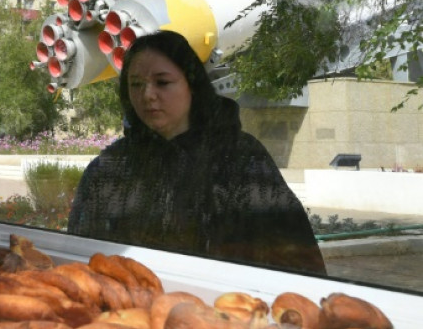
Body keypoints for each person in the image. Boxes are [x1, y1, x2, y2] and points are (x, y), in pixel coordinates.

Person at [67, 30, 326, 275]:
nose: (148, 95)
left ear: (192, 85)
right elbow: (80, 259)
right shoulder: (112, 167)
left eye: (163, 82)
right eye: (136, 84)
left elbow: (297, 261)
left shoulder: (239, 158)